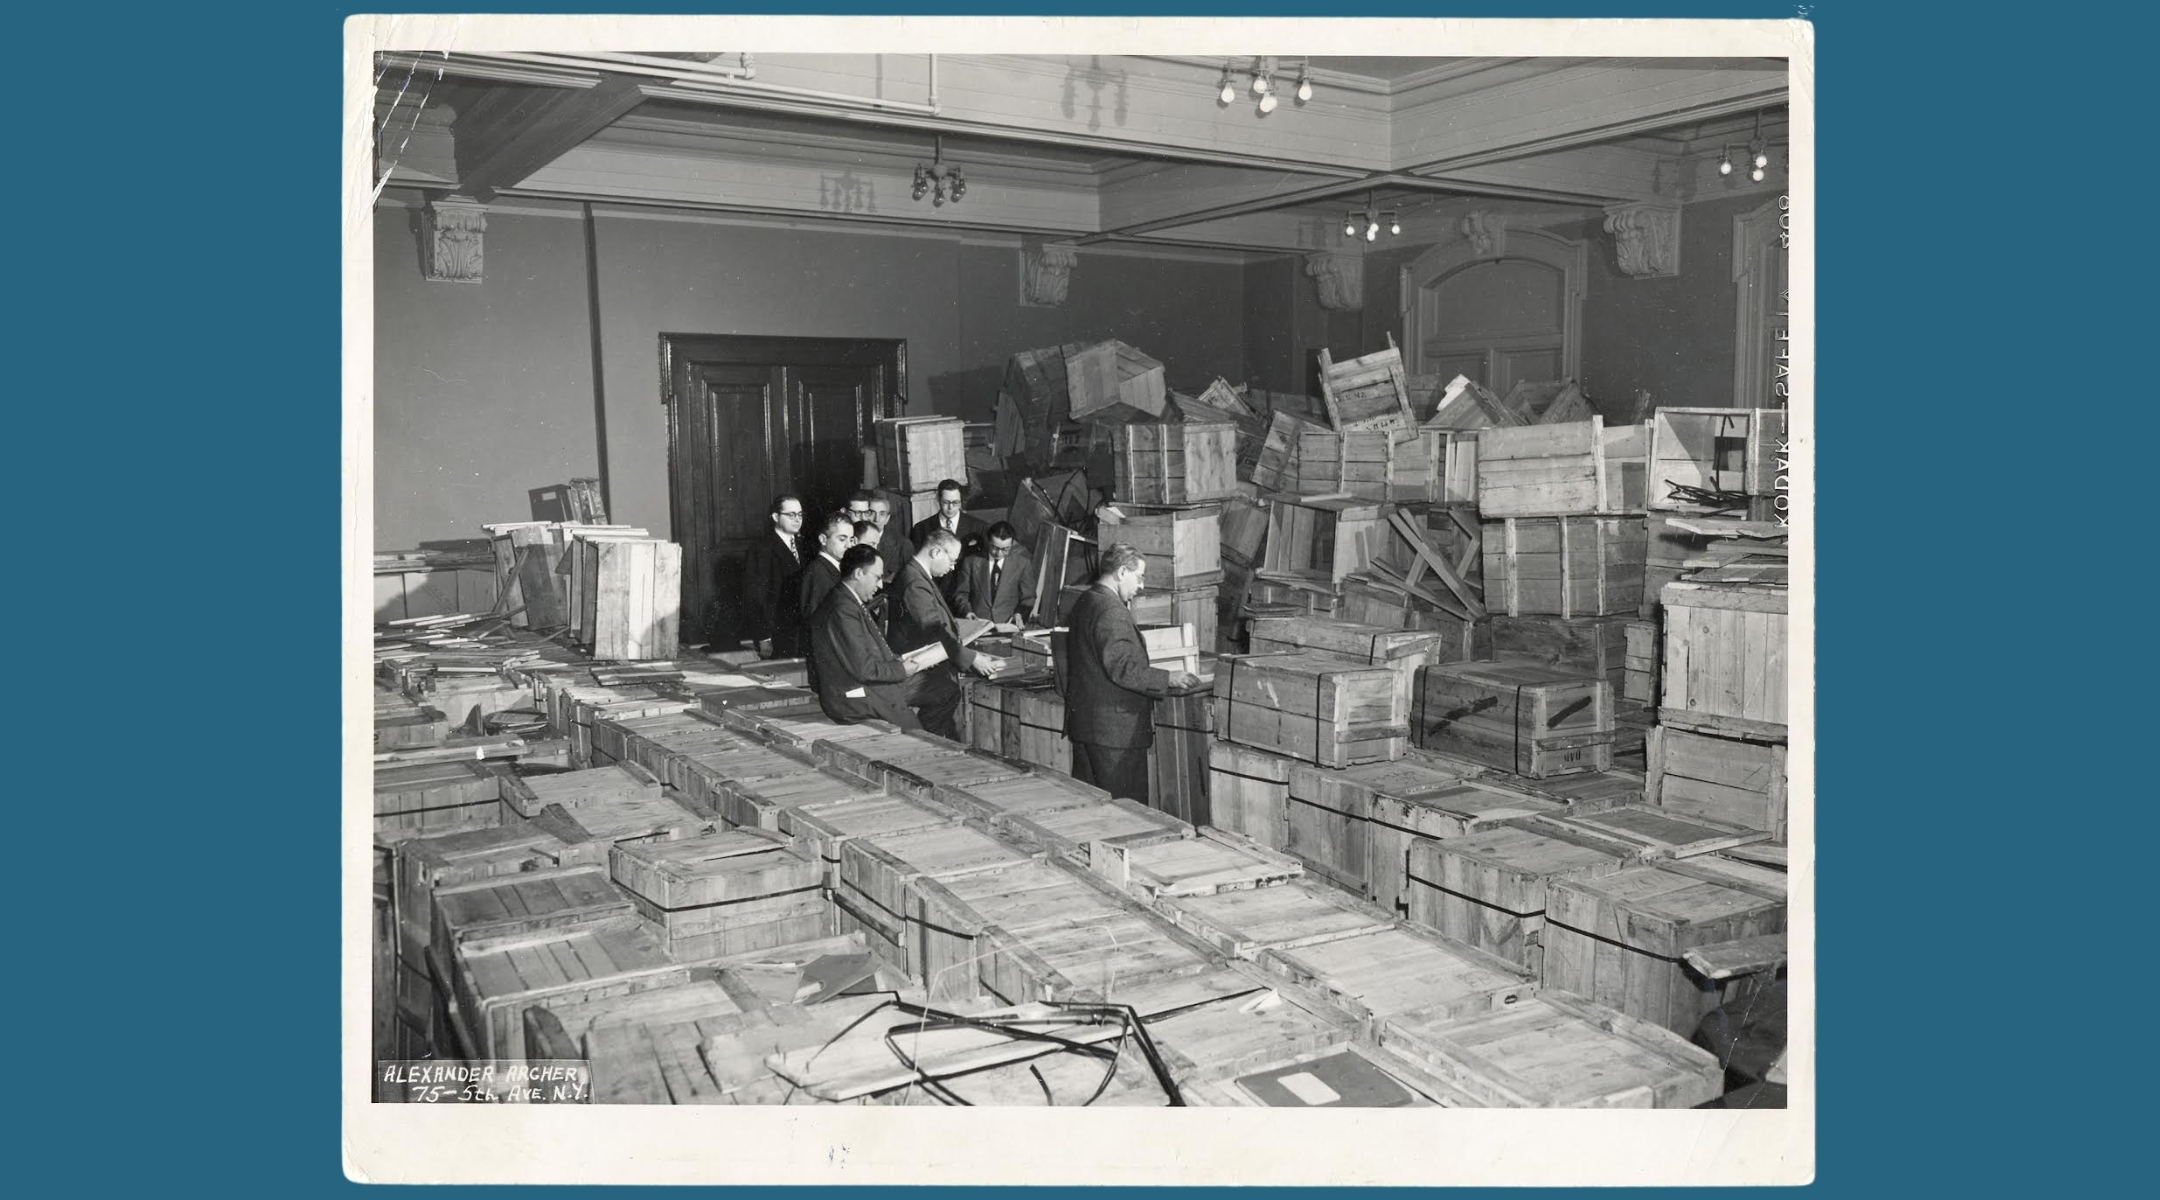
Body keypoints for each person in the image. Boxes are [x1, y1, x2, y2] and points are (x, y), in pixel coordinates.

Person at [1059, 542, 1201, 802]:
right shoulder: (1110, 610)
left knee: (1094, 809)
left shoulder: (1086, 601)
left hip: (1089, 729)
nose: (1141, 586)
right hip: (1115, 736)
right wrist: (1168, 678)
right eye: (1139, 577)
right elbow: (1122, 667)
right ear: (1122, 572)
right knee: (1126, 813)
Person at [886, 529, 1004, 739]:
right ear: (935, 552)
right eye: (951, 561)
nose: (952, 568)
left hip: (927, 662)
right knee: (946, 695)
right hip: (914, 667)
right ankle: (927, 743)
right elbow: (934, 630)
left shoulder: (917, 575)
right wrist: (972, 658)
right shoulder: (915, 582)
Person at [806, 545, 922, 729]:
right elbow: (864, 669)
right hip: (852, 696)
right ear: (858, 573)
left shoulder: (845, 600)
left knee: (941, 689)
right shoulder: (842, 609)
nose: (880, 585)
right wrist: (901, 670)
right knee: (918, 734)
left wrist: (897, 663)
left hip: (858, 684)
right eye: (877, 577)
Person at [741, 493, 806, 657]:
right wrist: (763, 637)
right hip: (775, 632)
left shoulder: (803, 545)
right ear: (776, 516)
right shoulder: (762, 548)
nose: (797, 519)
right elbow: (754, 596)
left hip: (798, 630)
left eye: (800, 514)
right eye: (791, 515)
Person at [796, 513, 856, 687]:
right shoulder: (817, 573)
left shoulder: (838, 569)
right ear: (823, 539)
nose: (849, 545)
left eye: (851, 539)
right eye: (842, 539)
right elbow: (816, 624)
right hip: (829, 663)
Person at [952, 521, 1038, 626]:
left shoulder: (1023, 564)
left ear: (1012, 544)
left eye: (1005, 549)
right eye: (994, 547)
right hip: (977, 625)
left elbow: (1029, 598)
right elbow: (961, 593)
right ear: (988, 541)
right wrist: (967, 612)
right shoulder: (970, 562)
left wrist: (1020, 614)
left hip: (1008, 625)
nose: (999, 553)